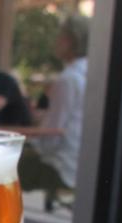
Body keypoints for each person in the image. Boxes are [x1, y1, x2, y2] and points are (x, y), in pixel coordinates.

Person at [19, 14, 89, 194]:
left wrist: (33, 138)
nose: (56, 41)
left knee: (2, 168)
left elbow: (50, 139)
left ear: (71, 40)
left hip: (62, 168)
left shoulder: (68, 79)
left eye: (60, 36)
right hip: (82, 167)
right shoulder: (91, 74)